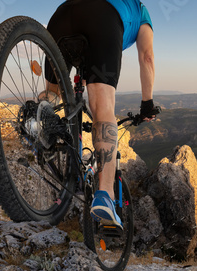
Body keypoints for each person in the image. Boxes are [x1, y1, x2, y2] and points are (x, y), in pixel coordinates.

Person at [43, 0, 156, 228]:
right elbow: (147, 56)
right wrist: (147, 102)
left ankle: (35, 122)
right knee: (103, 107)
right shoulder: (141, 11)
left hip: (62, 16)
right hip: (103, 20)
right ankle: (105, 195)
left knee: (51, 94)